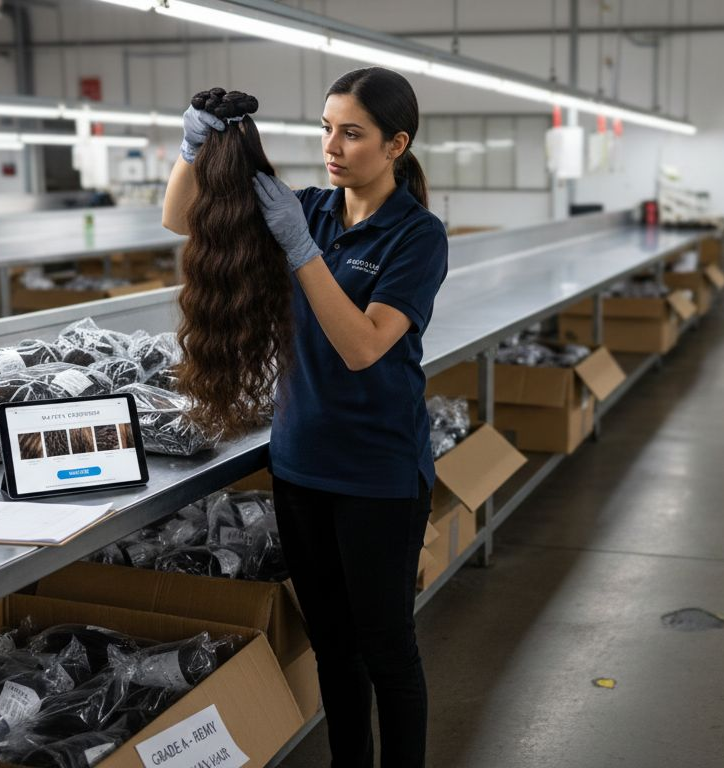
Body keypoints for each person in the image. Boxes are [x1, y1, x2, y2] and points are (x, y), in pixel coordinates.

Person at [161, 69, 447, 768]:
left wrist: (301, 248)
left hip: (377, 474)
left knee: (387, 652)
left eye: (353, 133)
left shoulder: (416, 236)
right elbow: (179, 218)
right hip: (299, 466)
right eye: (326, 129)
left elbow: (362, 345)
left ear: (395, 144)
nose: (333, 146)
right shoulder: (311, 208)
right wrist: (193, 148)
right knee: (333, 649)